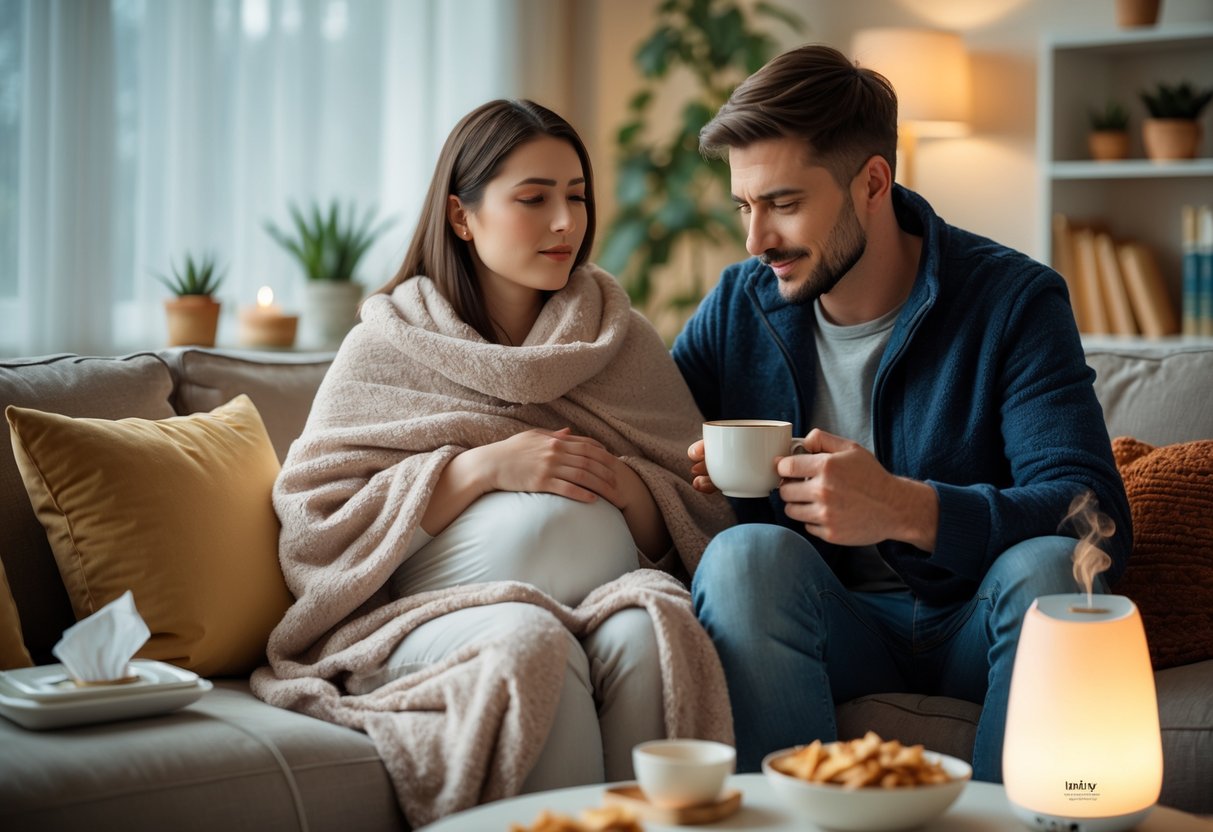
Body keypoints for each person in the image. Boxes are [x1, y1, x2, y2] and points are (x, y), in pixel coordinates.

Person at [251, 99, 733, 826]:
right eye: (533, 199)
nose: (565, 222)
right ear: (460, 215)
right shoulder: (389, 344)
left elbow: (700, 511)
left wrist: (633, 489)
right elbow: (319, 527)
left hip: (601, 599)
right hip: (420, 615)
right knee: (529, 640)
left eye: (576, 196)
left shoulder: (619, 338)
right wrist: (481, 469)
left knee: (651, 629)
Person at [672, 44, 1132, 782]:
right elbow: (639, 421)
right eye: (744, 207)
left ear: (872, 184)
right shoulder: (738, 304)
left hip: (972, 623)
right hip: (826, 624)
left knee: (1050, 569)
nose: (756, 241)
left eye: (784, 204)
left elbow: (1088, 514)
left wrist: (901, 508)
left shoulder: (1011, 300)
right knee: (741, 560)